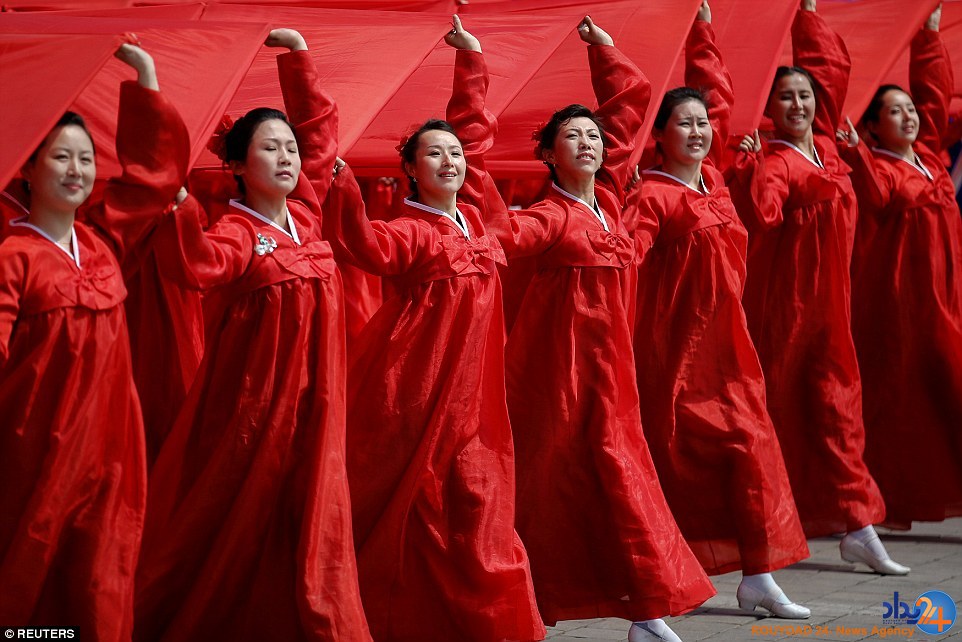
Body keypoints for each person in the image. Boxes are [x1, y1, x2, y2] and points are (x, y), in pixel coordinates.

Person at [133, 29, 372, 642]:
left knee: (311, 525)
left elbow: (319, 134)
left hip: (317, 412)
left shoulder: (309, 215)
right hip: (254, 416)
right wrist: (149, 93)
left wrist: (296, 57)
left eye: (289, 148)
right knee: (237, 524)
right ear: (237, 165)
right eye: (270, 149)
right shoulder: (236, 233)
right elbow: (195, 264)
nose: (288, 158)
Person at [486, 15, 716, 642]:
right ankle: (547, 599)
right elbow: (504, 237)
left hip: (612, 376)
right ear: (548, 155)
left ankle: (642, 608)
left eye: (593, 136)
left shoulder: (612, 200)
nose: (588, 143)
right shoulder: (549, 214)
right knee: (563, 483)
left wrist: (603, 49)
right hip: (561, 380)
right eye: (572, 137)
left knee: (617, 476)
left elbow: (631, 103)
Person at [322, 17, 545, 642]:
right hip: (417, 391)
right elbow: (360, 244)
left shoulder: (480, 220)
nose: (449, 162)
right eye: (433, 155)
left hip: (478, 399)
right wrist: (342, 182)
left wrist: (470, 63)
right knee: (421, 506)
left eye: (452, 155)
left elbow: (473, 143)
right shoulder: (413, 231)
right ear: (411, 170)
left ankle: (476, 620)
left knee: (479, 505)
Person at [624, 0, 810, 619]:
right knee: (679, 459)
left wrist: (703, 30)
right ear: (660, 134)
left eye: (703, 123)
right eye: (685, 124)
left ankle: (757, 574)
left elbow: (721, 95)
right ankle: (663, 572)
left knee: (753, 453)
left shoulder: (718, 183)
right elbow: (623, 257)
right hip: (677, 355)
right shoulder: (652, 196)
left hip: (732, 352)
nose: (700, 131)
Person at [0, 42, 188, 641]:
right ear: (29, 169)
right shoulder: (12, 258)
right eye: (61, 157)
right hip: (34, 448)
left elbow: (152, 181)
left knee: (101, 583)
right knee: (29, 581)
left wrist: (146, 77)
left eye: (85, 158)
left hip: (110, 452)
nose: (77, 170)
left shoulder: (103, 243)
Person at [727, 0, 908, 575]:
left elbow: (832, 67)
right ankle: (759, 521)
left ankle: (856, 523)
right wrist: (746, 171)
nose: (800, 103)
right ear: (770, 109)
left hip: (833, 310)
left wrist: (807, 15)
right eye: (786, 97)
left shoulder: (829, 148)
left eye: (805, 95)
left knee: (839, 413)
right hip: (788, 311)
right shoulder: (777, 161)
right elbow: (761, 216)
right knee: (781, 413)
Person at [841, 5, 962, 530]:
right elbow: (871, 194)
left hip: (949, 298)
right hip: (909, 310)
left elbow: (935, 100)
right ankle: (892, 499)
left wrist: (929, 37)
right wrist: (855, 154)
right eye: (895, 111)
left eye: (908, 109)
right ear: (872, 126)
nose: (910, 116)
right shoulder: (882, 171)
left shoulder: (932, 159)